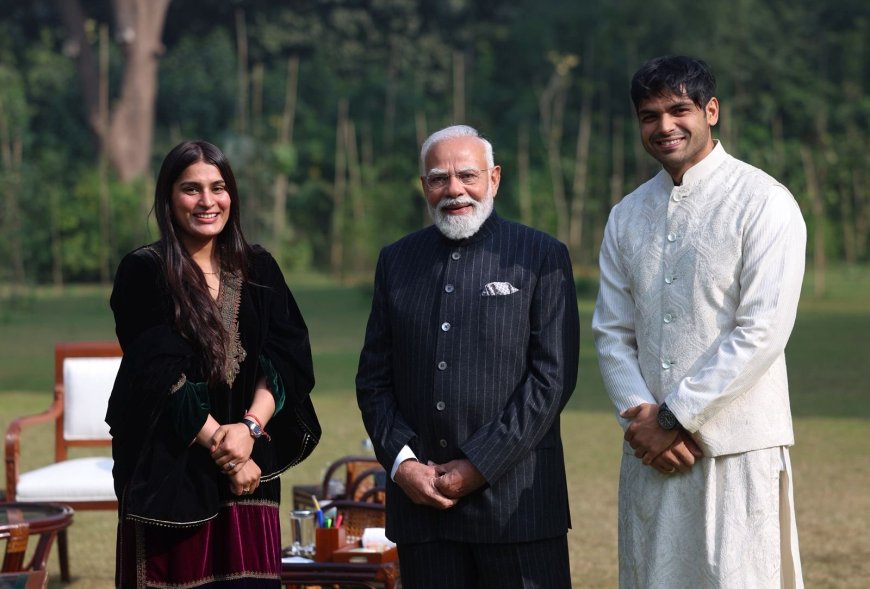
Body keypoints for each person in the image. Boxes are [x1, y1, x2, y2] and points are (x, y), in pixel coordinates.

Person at [592, 55, 805, 588]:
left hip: (736, 447)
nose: (664, 126)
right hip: (654, 456)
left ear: (711, 111)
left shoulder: (764, 202)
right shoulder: (627, 214)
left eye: (678, 109)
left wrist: (674, 418)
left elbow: (762, 330)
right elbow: (612, 333)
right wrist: (642, 420)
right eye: (649, 115)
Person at [356, 124, 579, 588]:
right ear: (424, 187)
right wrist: (403, 465)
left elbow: (551, 379)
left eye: (467, 176)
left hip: (519, 510)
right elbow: (373, 380)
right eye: (439, 178)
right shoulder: (396, 261)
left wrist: (479, 465)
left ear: (494, 179)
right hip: (423, 512)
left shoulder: (541, 255)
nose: (454, 189)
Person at [106, 140, 321, 588]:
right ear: (168, 198)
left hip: (251, 475)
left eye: (218, 187)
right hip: (171, 473)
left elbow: (287, 358)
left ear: (232, 195)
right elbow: (161, 377)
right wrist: (228, 452)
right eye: (191, 189)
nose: (207, 201)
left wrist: (249, 431)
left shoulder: (260, 268)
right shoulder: (143, 272)